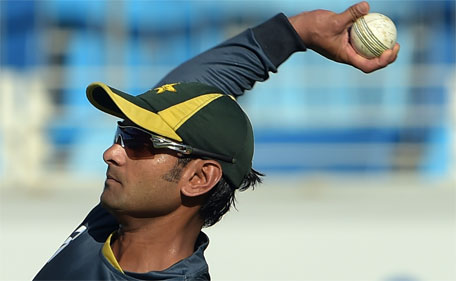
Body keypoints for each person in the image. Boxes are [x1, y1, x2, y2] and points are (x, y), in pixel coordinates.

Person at [33, 2, 399, 280]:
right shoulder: (115, 223)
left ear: (199, 178)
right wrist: (298, 32)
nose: (111, 153)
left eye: (139, 141)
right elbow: (198, 87)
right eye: (121, 133)